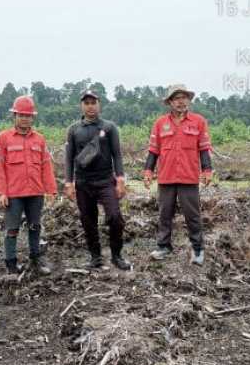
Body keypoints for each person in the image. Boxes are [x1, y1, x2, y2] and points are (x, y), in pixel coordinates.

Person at [143, 84, 212, 266]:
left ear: (188, 100)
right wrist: (148, 171)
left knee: (192, 215)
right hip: (166, 177)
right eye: (177, 98)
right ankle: (164, 246)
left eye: (184, 97)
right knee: (165, 213)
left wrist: (207, 170)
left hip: (189, 178)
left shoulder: (198, 121)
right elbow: (153, 150)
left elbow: (204, 149)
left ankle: (197, 249)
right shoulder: (160, 124)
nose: (181, 102)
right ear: (170, 102)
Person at [64, 90, 131, 270]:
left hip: (105, 180)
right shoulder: (73, 130)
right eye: (86, 103)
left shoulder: (109, 128)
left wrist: (120, 180)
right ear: (81, 106)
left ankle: (117, 255)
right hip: (83, 183)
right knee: (88, 220)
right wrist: (69, 183)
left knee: (115, 217)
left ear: (99, 104)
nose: (90, 106)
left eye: (93, 102)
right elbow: (69, 158)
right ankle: (95, 257)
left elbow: (117, 155)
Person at [0, 96, 57, 275]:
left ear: (32, 117)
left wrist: (50, 190)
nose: (25, 118)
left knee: (35, 226)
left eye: (28, 115)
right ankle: (11, 265)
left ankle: (35, 260)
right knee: (12, 229)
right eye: (21, 115)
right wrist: (0, 192)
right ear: (15, 115)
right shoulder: (3, 138)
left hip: (35, 192)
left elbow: (46, 166)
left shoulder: (40, 139)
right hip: (13, 193)